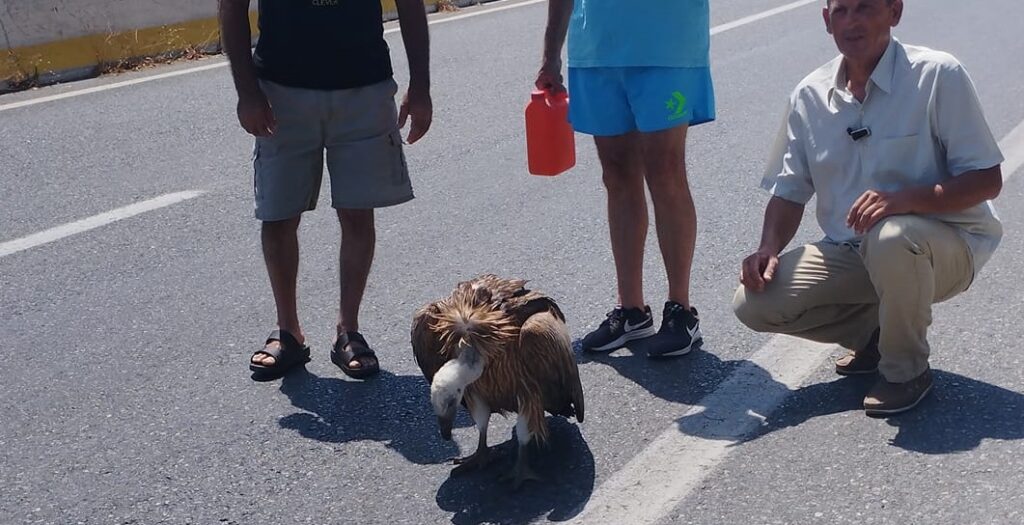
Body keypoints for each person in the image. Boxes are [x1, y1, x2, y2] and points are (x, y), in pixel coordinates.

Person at [733, 0, 1003, 415]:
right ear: (826, 21)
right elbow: (789, 190)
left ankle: (905, 371)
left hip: (944, 245)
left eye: (866, 8)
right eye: (840, 11)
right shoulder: (809, 95)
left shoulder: (937, 75)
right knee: (755, 303)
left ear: (895, 12)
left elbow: (987, 180)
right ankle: (876, 335)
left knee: (891, 236)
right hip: (853, 250)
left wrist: (902, 200)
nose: (852, 22)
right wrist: (767, 248)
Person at [218, 0, 432, 380]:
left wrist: (421, 86)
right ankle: (288, 334)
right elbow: (231, 7)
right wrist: (246, 91)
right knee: (279, 214)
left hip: (363, 87)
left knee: (357, 210)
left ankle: (347, 330)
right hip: (281, 92)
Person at [536, 0, 716, 357]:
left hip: (667, 43)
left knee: (665, 169)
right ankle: (631, 310)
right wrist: (550, 53)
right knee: (616, 173)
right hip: (597, 47)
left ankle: (681, 311)